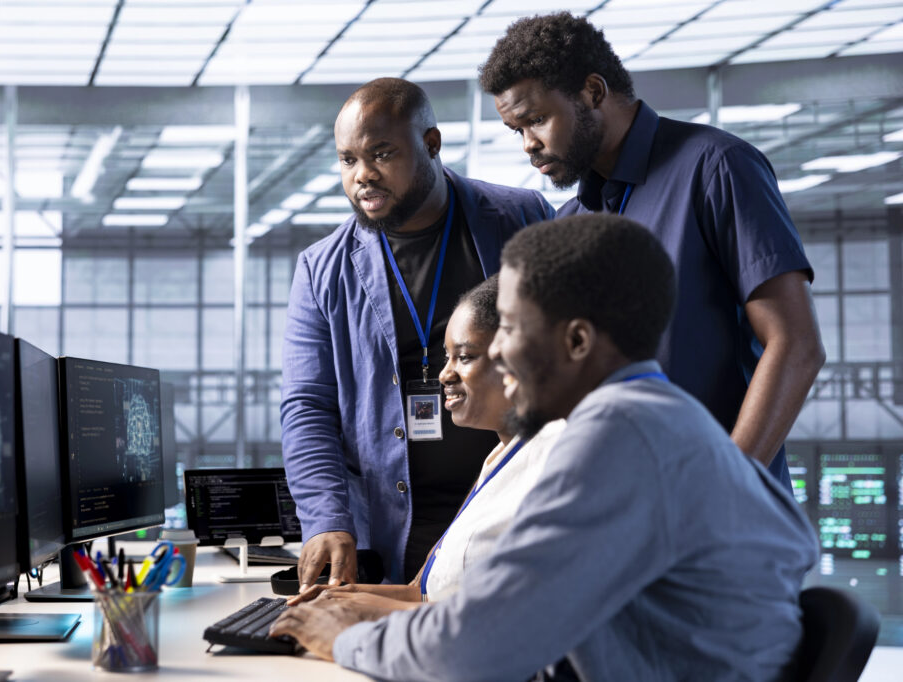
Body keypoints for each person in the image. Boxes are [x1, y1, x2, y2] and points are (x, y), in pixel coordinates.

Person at [272, 214, 819, 681]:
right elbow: (495, 615)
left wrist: (342, 638)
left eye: (509, 328)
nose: (499, 354)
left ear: (577, 341)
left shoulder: (614, 440)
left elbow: (473, 646)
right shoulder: (666, 420)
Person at [477, 12, 824, 490]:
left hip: (715, 519)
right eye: (517, 130)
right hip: (614, 513)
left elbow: (796, 344)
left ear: (592, 92)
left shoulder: (717, 168)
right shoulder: (571, 221)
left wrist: (727, 488)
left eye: (536, 120)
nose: (529, 145)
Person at [281, 77, 556, 587]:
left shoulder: (522, 219)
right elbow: (307, 406)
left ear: (430, 144)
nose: (363, 175)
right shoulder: (322, 269)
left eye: (381, 153)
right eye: (347, 160)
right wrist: (326, 519)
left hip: (512, 507)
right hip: (394, 528)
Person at [292, 276, 567, 610]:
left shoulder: (555, 459)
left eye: (464, 357)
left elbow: (502, 616)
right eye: (447, 357)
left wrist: (355, 621)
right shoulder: (501, 457)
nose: (444, 374)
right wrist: (335, 599)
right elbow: (423, 593)